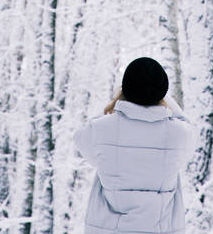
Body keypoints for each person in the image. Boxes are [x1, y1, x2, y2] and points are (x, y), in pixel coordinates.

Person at [74, 57, 193, 234]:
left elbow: (82, 139)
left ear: (125, 89)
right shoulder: (179, 134)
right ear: (162, 92)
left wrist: (115, 105)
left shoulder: (101, 129)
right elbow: (189, 129)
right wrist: (163, 96)